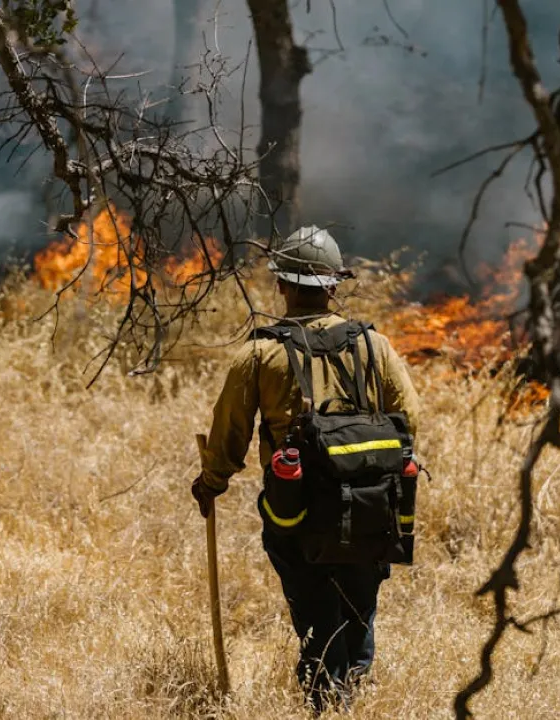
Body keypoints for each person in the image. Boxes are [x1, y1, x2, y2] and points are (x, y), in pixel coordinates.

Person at [191, 225, 421, 712]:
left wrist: (210, 483)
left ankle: (326, 703)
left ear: (282, 285)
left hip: (297, 515)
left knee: (317, 618)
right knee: (358, 618)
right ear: (334, 286)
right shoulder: (373, 346)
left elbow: (229, 435)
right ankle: (351, 699)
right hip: (371, 509)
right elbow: (410, 419)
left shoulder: (260, 353)